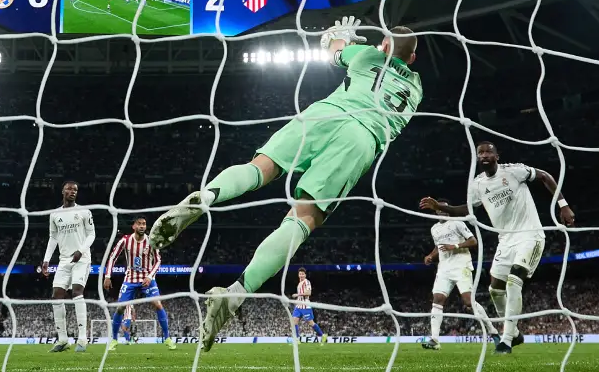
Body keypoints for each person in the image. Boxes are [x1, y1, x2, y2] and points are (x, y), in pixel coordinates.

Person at [149, 18, 422, 352]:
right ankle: (236, 293)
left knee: (259, 169)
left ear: (382, 47)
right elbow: (389, 62)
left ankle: (205, 196)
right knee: (303, 217)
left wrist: (340, 38)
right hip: (361, 137)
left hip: (324, 114)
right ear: (411, 60)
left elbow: (334, 50)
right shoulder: (416, 91)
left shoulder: (366, 55)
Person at [420, 141, 575, 354]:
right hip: (506, 241)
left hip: (529, 235)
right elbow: (466, 208)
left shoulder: (514, 171)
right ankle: (516, 332)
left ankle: (506, 339)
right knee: (495, 289)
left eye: (488, 152)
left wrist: (563, 205)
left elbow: (544, 176)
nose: (484, 155)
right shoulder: (477, 184)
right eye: (480, 152)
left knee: (514, 280)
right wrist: (440, 207)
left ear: (496, 156)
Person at [421, 201, 495, 350]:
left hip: (461, 265)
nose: (441, 212)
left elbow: (473, 241)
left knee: (468, 302)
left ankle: (492, 329)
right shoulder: (434, 229)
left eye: (444, 209)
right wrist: (430, 255)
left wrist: (455, 246)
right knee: (437, 299)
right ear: (436, 211)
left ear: (447, 210)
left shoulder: (457, 223)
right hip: (444, 268)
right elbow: (438, 247)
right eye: (439, 209)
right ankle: (435, 339)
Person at [39, 181, 95, 353]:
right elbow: (53, 237)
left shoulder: (84, 212)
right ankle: (63, 340)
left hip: (82, 258)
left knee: (77, 292)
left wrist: (81, 250)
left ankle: (83, 339)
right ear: (62, 191)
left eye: (75, 190)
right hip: (64, 260)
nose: (72, 191)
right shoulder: (55, 214)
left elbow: (92, 234)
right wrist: (46, 259)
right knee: (56, 295)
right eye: (69, 189)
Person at [102, 217, 174, 350]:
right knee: (120, 308)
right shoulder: (125, 240)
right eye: (139, 224)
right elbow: (112, 257)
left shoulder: (151, 241)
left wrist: (150, 276)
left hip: (147, 279)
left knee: (158, 304)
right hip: (130, 278)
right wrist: (107, 276)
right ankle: (113, 339)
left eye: (144, 224)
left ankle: (167, 338)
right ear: (134, 226)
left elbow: (158, 261)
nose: (142, 226)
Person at [290, 268, 327, 344]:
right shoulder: (299, 283)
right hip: (298, 306)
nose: (301, 275)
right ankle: (297, 340)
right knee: (294, 322)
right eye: (300, 274)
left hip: (305, 305)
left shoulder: (307, 282)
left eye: (302, 274)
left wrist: (297, 294)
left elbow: (309, 293)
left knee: (311, 323)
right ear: (298, 275)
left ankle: (323, 335)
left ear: (305, 275)